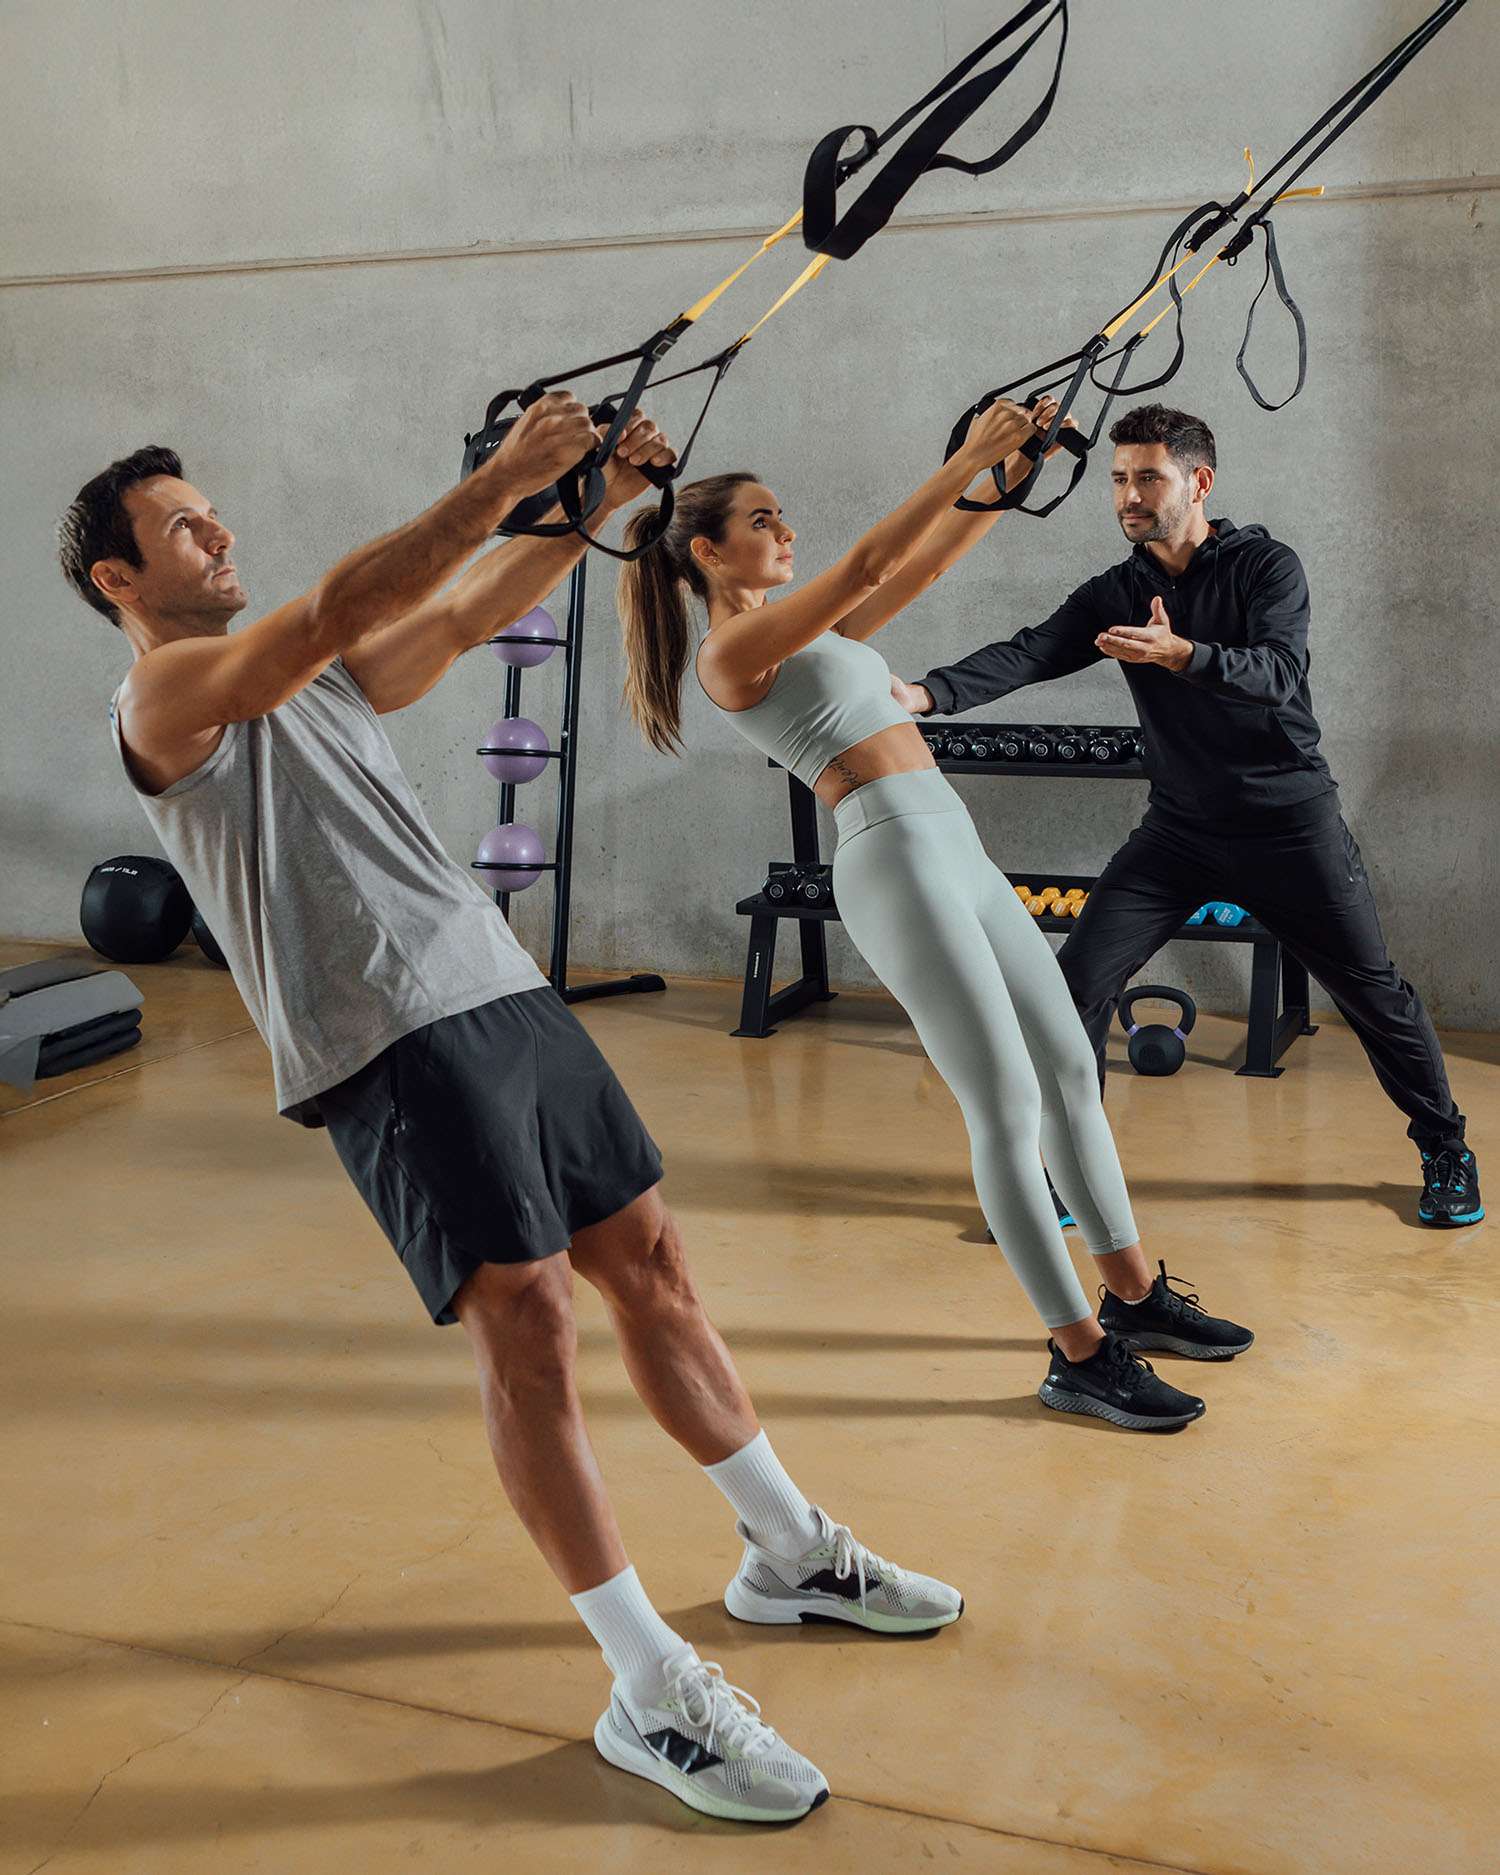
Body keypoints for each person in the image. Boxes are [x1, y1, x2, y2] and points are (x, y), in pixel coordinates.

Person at [58, 404, 968, 1827]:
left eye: (212, 509)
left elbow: (474, 600)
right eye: (184, 523)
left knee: (654, 1266)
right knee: (529, 1320)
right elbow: (346, 602)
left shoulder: (320, 682)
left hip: (500, 991)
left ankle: (788, 1549)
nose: (218, 530)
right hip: (386, 1039)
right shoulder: (167, 701)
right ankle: (644, 1683)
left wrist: (595, 494)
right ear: (118, 579)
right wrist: (503, 475)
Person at [615, 397, 1254, 1437]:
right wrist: (968, 452)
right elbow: (869, 563)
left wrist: (1005, 478)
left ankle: (1134, 1292)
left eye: (782, 516)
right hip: (894, 858)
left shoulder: (809, 630)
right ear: (706, 552)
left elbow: (920, 566)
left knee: (1066, 1067)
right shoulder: (732, 655)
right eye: (764, 520)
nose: (785, 531)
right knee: (1005, 1103)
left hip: (952, 844)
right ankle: (1079, 1354)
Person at [894, 402, 1482, 1232]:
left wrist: (1183, 655)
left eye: (1149, 477)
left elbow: (1279, 673)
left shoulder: (1266, 567)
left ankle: (1445, 1147)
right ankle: (1068, 1167)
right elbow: (1032, 650)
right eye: (1120, 479)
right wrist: (924, 694)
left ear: (1198, 481)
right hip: (1178, 833)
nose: (1129, 494)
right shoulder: (1119, 589)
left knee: (1375, 995)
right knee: (1075, 989)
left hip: (1290, 826)